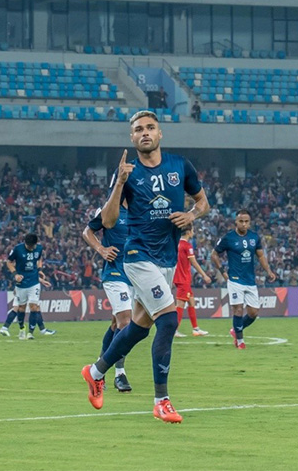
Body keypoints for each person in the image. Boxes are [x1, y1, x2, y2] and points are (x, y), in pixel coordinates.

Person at [81, 110, 210, 424]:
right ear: (132, 137)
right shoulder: (128, 172)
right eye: (138, 129)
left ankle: (95, 372)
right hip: (138, 256)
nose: (145, 133)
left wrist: (191, 215)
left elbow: (203, 202)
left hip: (166, 258)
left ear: (160, 133)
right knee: (168, 320)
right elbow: (108, 221)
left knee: (139, 327)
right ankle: (161, 401)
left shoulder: (180, 166)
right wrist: (120, 183)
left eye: (150, 128)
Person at [82, 205, 133, 392]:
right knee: (125, 322)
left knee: (116, 324)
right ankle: (120, 374)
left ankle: (98, 369)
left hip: (136, 274)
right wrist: (101, 249)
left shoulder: (141, 207)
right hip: (115, 273)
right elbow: (87, 231)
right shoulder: (110, 209)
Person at [212, 210, 276, 349]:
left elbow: (260, 256)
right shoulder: (228, 237)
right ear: (236, 222)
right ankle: (240, 341)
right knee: (238, 310)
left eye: (246, 221)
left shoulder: (254, 237)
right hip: (235, 280)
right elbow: (214, 254)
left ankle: (235, 330)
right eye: (241, 221)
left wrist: (269, 271)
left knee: (253, 312)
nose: (244, 224)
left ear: (250, 222)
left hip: (250, 280)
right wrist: (223, 272)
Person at [0, 234, 54, 340]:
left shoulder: (39, 248)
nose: (32, 248)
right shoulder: (18, 249)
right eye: (30, 246)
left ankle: (30, 333)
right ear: (26, 243)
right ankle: (21, 329)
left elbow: (39, 259)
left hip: (34, 283)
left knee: (34, 306)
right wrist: (15, 274)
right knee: (21, 308)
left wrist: (39, 270)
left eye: (33, 246)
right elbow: (9, 262)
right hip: (21, 283)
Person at [174, 227, 212, 337]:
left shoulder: (176, 244)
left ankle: (196, 329)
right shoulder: (187, 246)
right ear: (188, 232)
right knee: (180, 304)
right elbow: (194, 263)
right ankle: (174, 330)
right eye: (192, 231)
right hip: (184, 279)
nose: (193, 233)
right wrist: (204, 275)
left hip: (179, 277)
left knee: (191, 302)